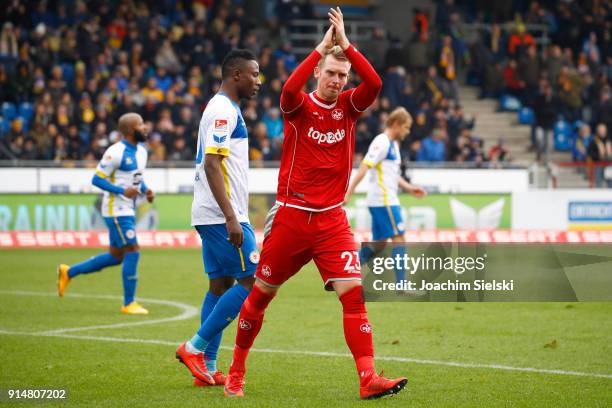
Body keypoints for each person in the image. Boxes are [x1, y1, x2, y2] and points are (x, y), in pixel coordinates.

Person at [224, 8, 408, 400]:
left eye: (342, 76)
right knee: (260, 297)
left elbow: (373, 83)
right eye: (330, 73)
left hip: (331, 222)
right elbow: (288, 90)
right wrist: (322, 47)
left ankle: (368, 379)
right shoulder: (299, 107)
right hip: (292, 217)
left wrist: (346, 46)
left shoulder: (349, 109)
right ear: (317, 74)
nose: (337, 81)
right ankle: (237, 370)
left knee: (354, 295)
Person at [175, 49, 261, 387]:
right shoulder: (223, 111)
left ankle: (207, 367)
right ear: (236, 74)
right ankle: (194, 348)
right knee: (252, 281)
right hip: (222, 215)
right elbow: (212, 163)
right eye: (254, 74)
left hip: (211, 213)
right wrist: (231, 217)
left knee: (220, 285)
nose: (259, 81)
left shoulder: (224, 108)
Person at [57, 113, 154, 315]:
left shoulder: (142, 151)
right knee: (133, 250)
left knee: (116, 256)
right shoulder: (115, 152)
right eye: (141, 124)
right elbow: (97, 179)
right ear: (129, 130)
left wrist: (146, 190)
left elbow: (135, 178)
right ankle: (129, 303)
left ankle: (69, 272)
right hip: (115, 209)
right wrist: (121, 191)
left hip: (127, 208)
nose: (145, 128)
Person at [344, 107, 426, 285]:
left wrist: (410, 188)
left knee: (379, 245)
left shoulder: (394, 144)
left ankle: (343, 272)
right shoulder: (381, 142)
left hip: (386, 199)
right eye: (406, 127)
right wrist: (348, 192)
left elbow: (392, 175)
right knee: (399, 238)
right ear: (396, 124)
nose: (407, 131)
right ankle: (402, 285)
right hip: (383, 200)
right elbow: (364, 167)